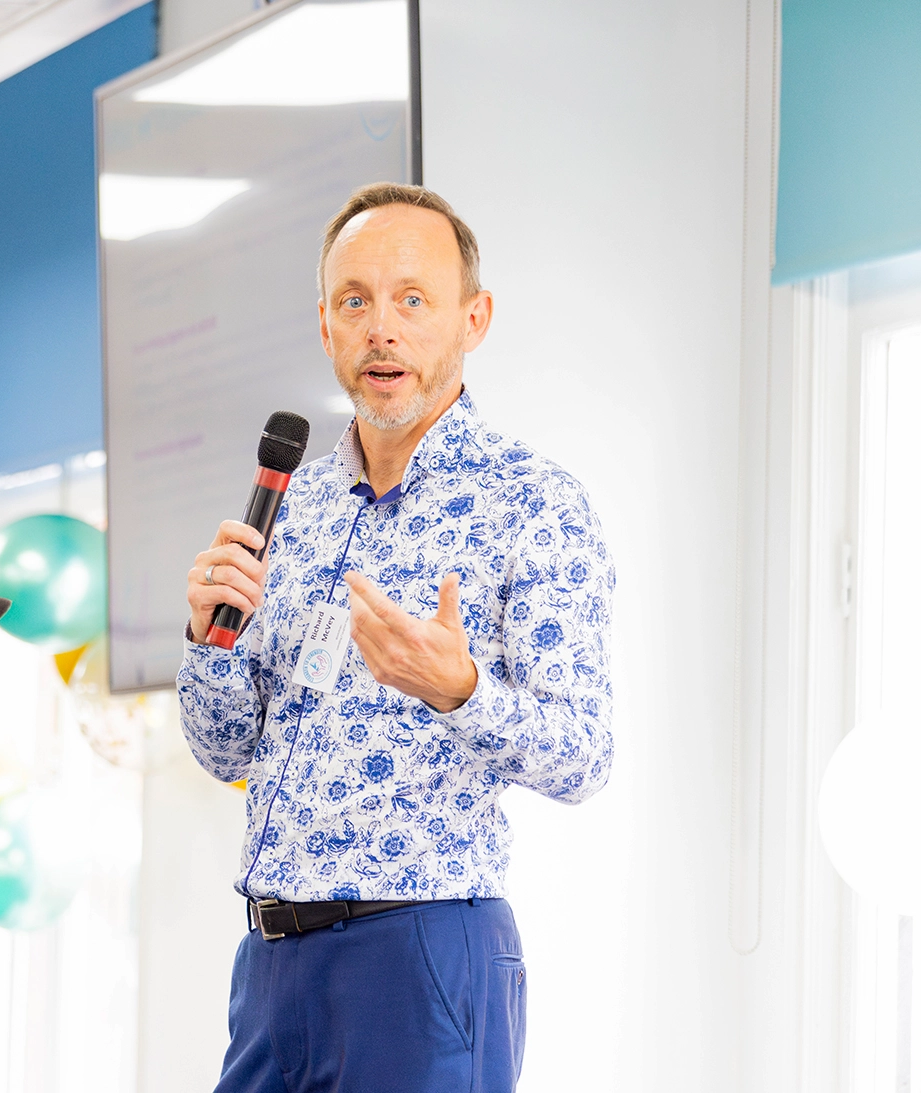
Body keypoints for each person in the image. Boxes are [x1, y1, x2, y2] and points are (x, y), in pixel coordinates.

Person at [178, 183, 615, 1093]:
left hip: (418, 955)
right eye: (356, 300)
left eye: (413, 299)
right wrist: (206, 639)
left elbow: (583, 754)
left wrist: (461, 690)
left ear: (473, 318)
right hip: (270, 966)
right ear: (327, 326)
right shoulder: (292, 505)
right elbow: (226, 749)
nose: (384, 327)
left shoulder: (533, 503)